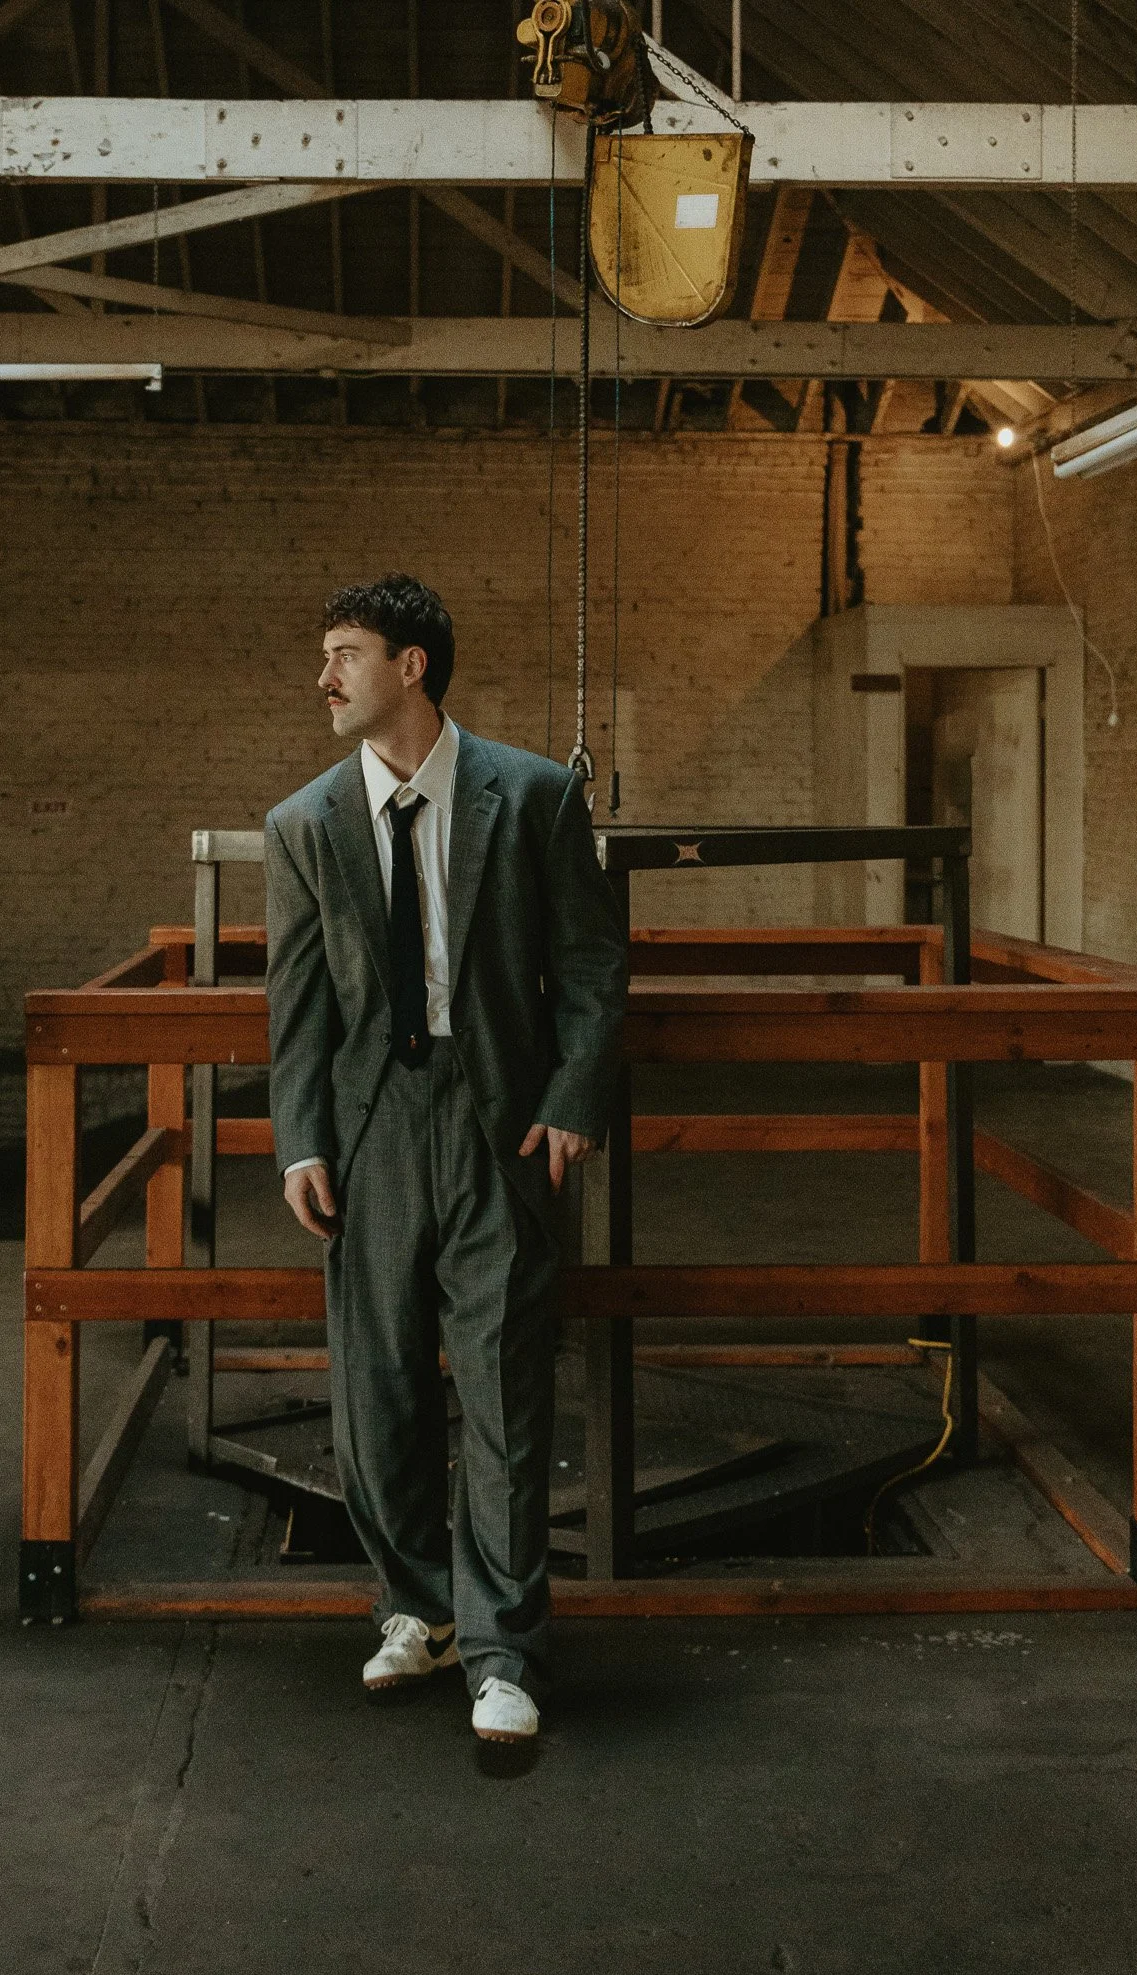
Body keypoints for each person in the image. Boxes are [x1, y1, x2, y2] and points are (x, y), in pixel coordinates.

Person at [264, 573, 628, 1744]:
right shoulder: (305, 822)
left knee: (507, 1388)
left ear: (411, 665)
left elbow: (589, 961)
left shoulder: (529, 796)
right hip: (369, 1140)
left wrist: (573, 1096)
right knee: (376, 1391)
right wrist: (302, 1138)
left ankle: (503, 1648)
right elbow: (297, 1007)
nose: (325, 676)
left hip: (498, 1128)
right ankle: (415, 1608)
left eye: (346, 652)